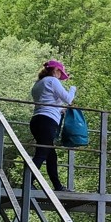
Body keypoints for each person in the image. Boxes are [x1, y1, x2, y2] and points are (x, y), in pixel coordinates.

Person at [30, 60, 77, 192]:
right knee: (42, 153)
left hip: (37, 120)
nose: (60, 77)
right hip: (47, 121)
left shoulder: (38, 84)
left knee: (51, 155)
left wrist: (59, 110)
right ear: (55, 71)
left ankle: (57, 186)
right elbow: (68, 99)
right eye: (60, 73)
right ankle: (27, 182)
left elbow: (46, 102)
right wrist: (73, 89)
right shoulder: (52, 80)